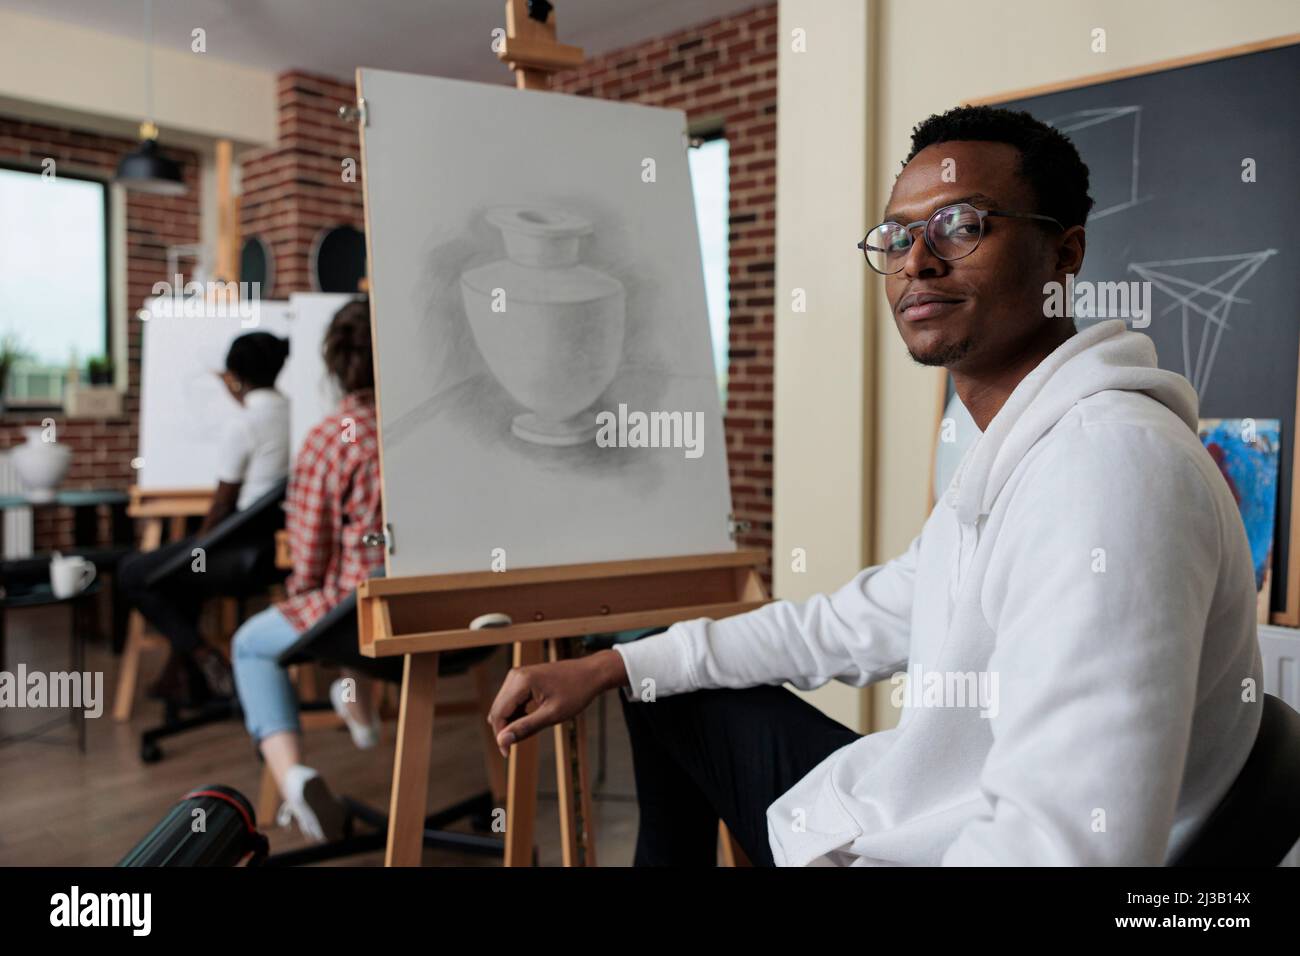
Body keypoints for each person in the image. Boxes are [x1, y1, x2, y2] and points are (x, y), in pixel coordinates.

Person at [486, 105, 1264, 866]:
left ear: (1065, 254)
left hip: (955, 839)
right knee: (660, 684)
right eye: (896, 237)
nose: (917, 262)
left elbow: (1064, 845)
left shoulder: (1107, 475)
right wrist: (615, 665)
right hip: (932, 806)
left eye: (962, 225)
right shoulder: (1013, 452)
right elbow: (841, 626)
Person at [231, 298, 385, 843]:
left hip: (360, 620)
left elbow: (310, 556)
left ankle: (296, 778)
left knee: (254, 642)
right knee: (365, 601)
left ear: (334, 363)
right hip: (450, 621)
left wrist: (301, 593)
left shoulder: (332, 438)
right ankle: (361, 717)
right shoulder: (441, 433)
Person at [119, 331, 291, 708]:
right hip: (275, 552)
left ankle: (204, 656)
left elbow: (221, 507)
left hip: (237, 552)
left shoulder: (244, 424)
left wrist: (195, 550)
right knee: (181, 578)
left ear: (234, 376)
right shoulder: (292, 412)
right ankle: (183, 679)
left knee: (135, 573)